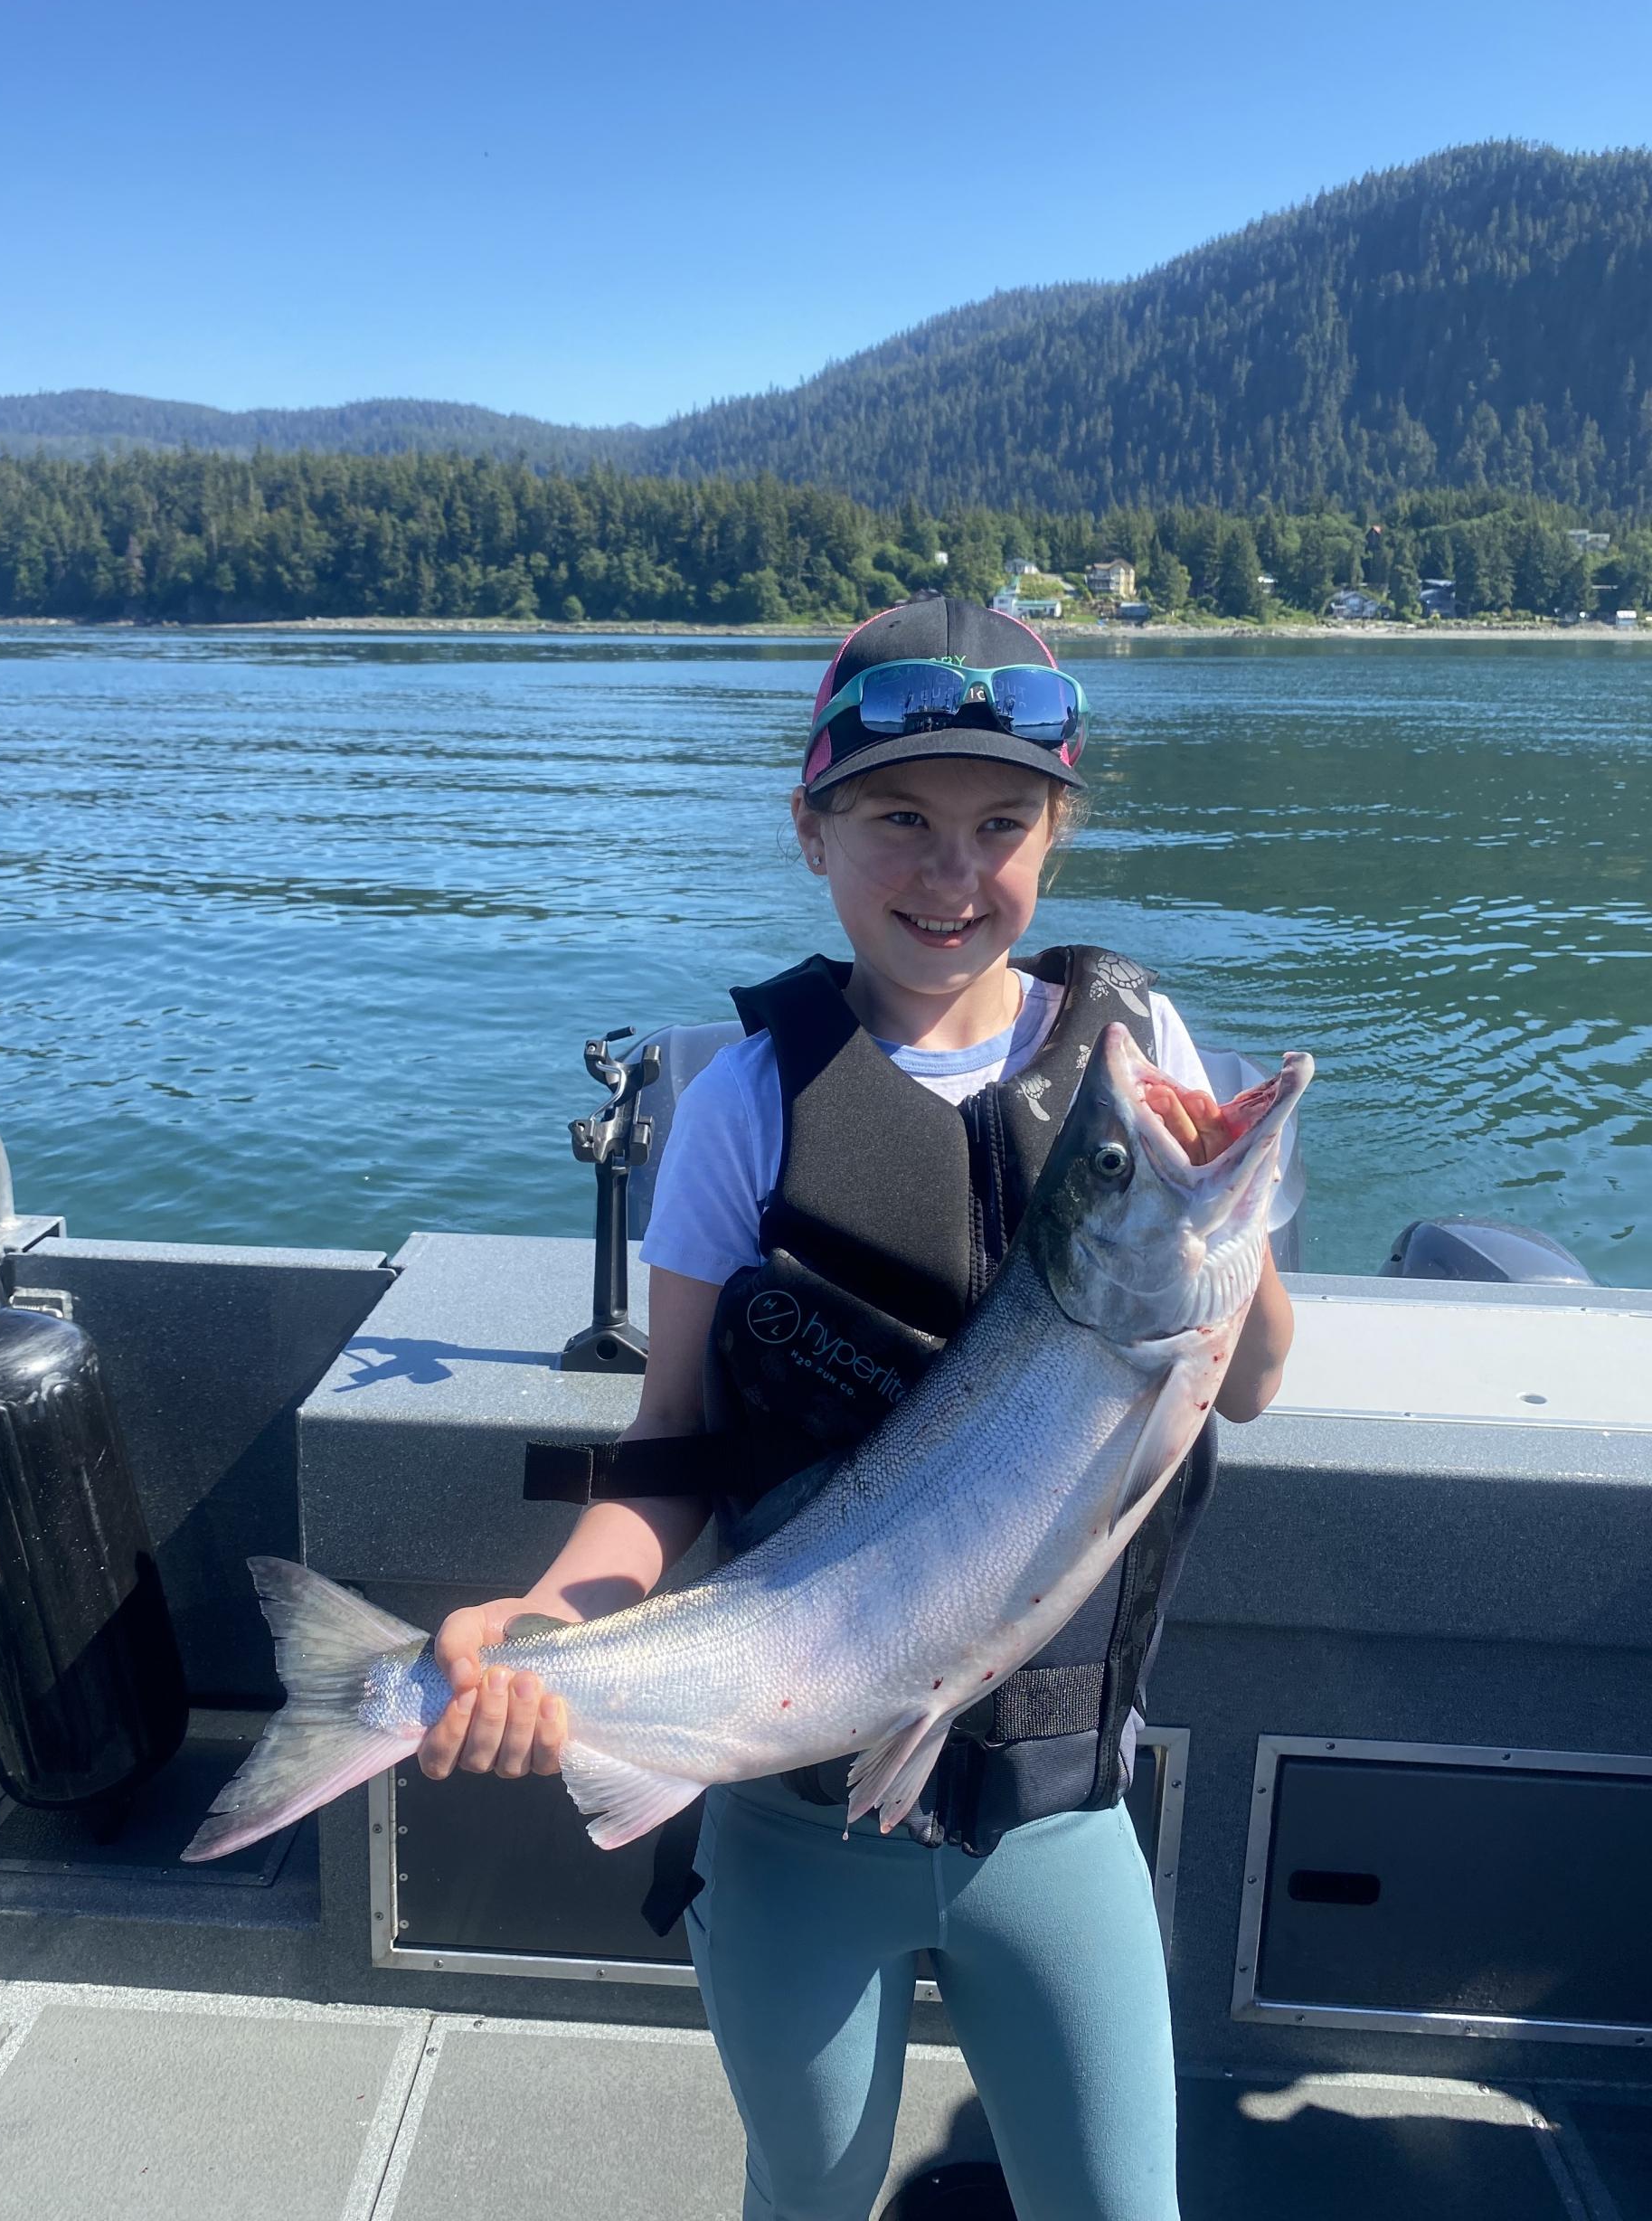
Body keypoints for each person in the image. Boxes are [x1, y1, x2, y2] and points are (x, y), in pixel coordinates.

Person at [419, 594, 1293, 2221]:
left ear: (1058, 836)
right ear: (811, 830)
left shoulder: (1135, 1057)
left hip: (1056, 1810)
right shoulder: (748, 1106)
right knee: (805, 2194)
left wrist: (1226, 1214)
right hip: (787, 1819)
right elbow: (668, 1451)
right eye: (897, 819)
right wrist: (545, 1619)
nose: (950, 874)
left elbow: (1242, 1377)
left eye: (999, 823)